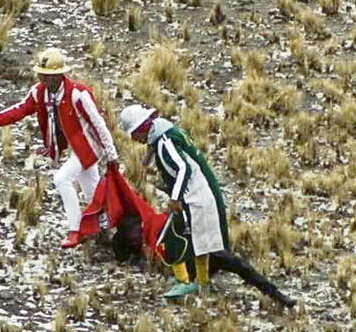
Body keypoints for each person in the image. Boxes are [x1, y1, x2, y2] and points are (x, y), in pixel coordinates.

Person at [117, 104, 296, 307]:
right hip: (200, 194)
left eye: (134, 134)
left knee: (204, 249)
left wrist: (174, 198)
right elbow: (160, 147)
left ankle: (268, 292)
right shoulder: (164, 132)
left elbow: (183, 168)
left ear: (142, 128)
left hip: (196, 197)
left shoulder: (164, 143)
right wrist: (146, 162)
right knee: (204, 247)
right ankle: (203, 281)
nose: (134, 140)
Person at [0, 48, 118, 248]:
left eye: (47, 76)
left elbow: (98, 124)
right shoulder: (39, 93)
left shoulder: (78, 94)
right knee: (91, 190)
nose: (42, 79)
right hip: (73, 148)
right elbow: (20, 110)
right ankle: (106, 227)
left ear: (59, 76)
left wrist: (110, 154)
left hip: (88, 146)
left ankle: (75, 230)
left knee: (62, 179)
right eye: (41, 75)